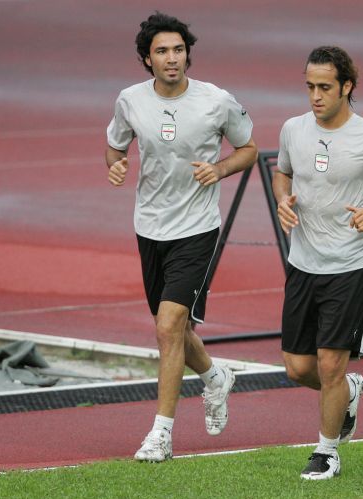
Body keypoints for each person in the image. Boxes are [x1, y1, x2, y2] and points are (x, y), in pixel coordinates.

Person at [105, 12, 258, 462]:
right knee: (175, 329)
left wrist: (220, 169)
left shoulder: (216, 101)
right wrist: (115, 164)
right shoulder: (130, 100)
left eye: (178, 49)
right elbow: (115, 145)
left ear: (188, 54)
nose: (172, 58)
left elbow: (248, 148)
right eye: (162, 51)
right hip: (149, 226)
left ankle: (161, 434)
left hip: (197, 227)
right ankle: (215, 378)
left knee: (168, 326)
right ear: (147, 59)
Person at [273, 46, 363, 480]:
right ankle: (349, 392)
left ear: (347, 86)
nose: (315, 96)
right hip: (302, 263)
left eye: (324, 87)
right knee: (298, 368)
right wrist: (283, 199)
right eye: (310, 87)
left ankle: (327, 452)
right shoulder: (292, 130)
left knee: (330, 364)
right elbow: (282, 172)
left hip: (349, 268)